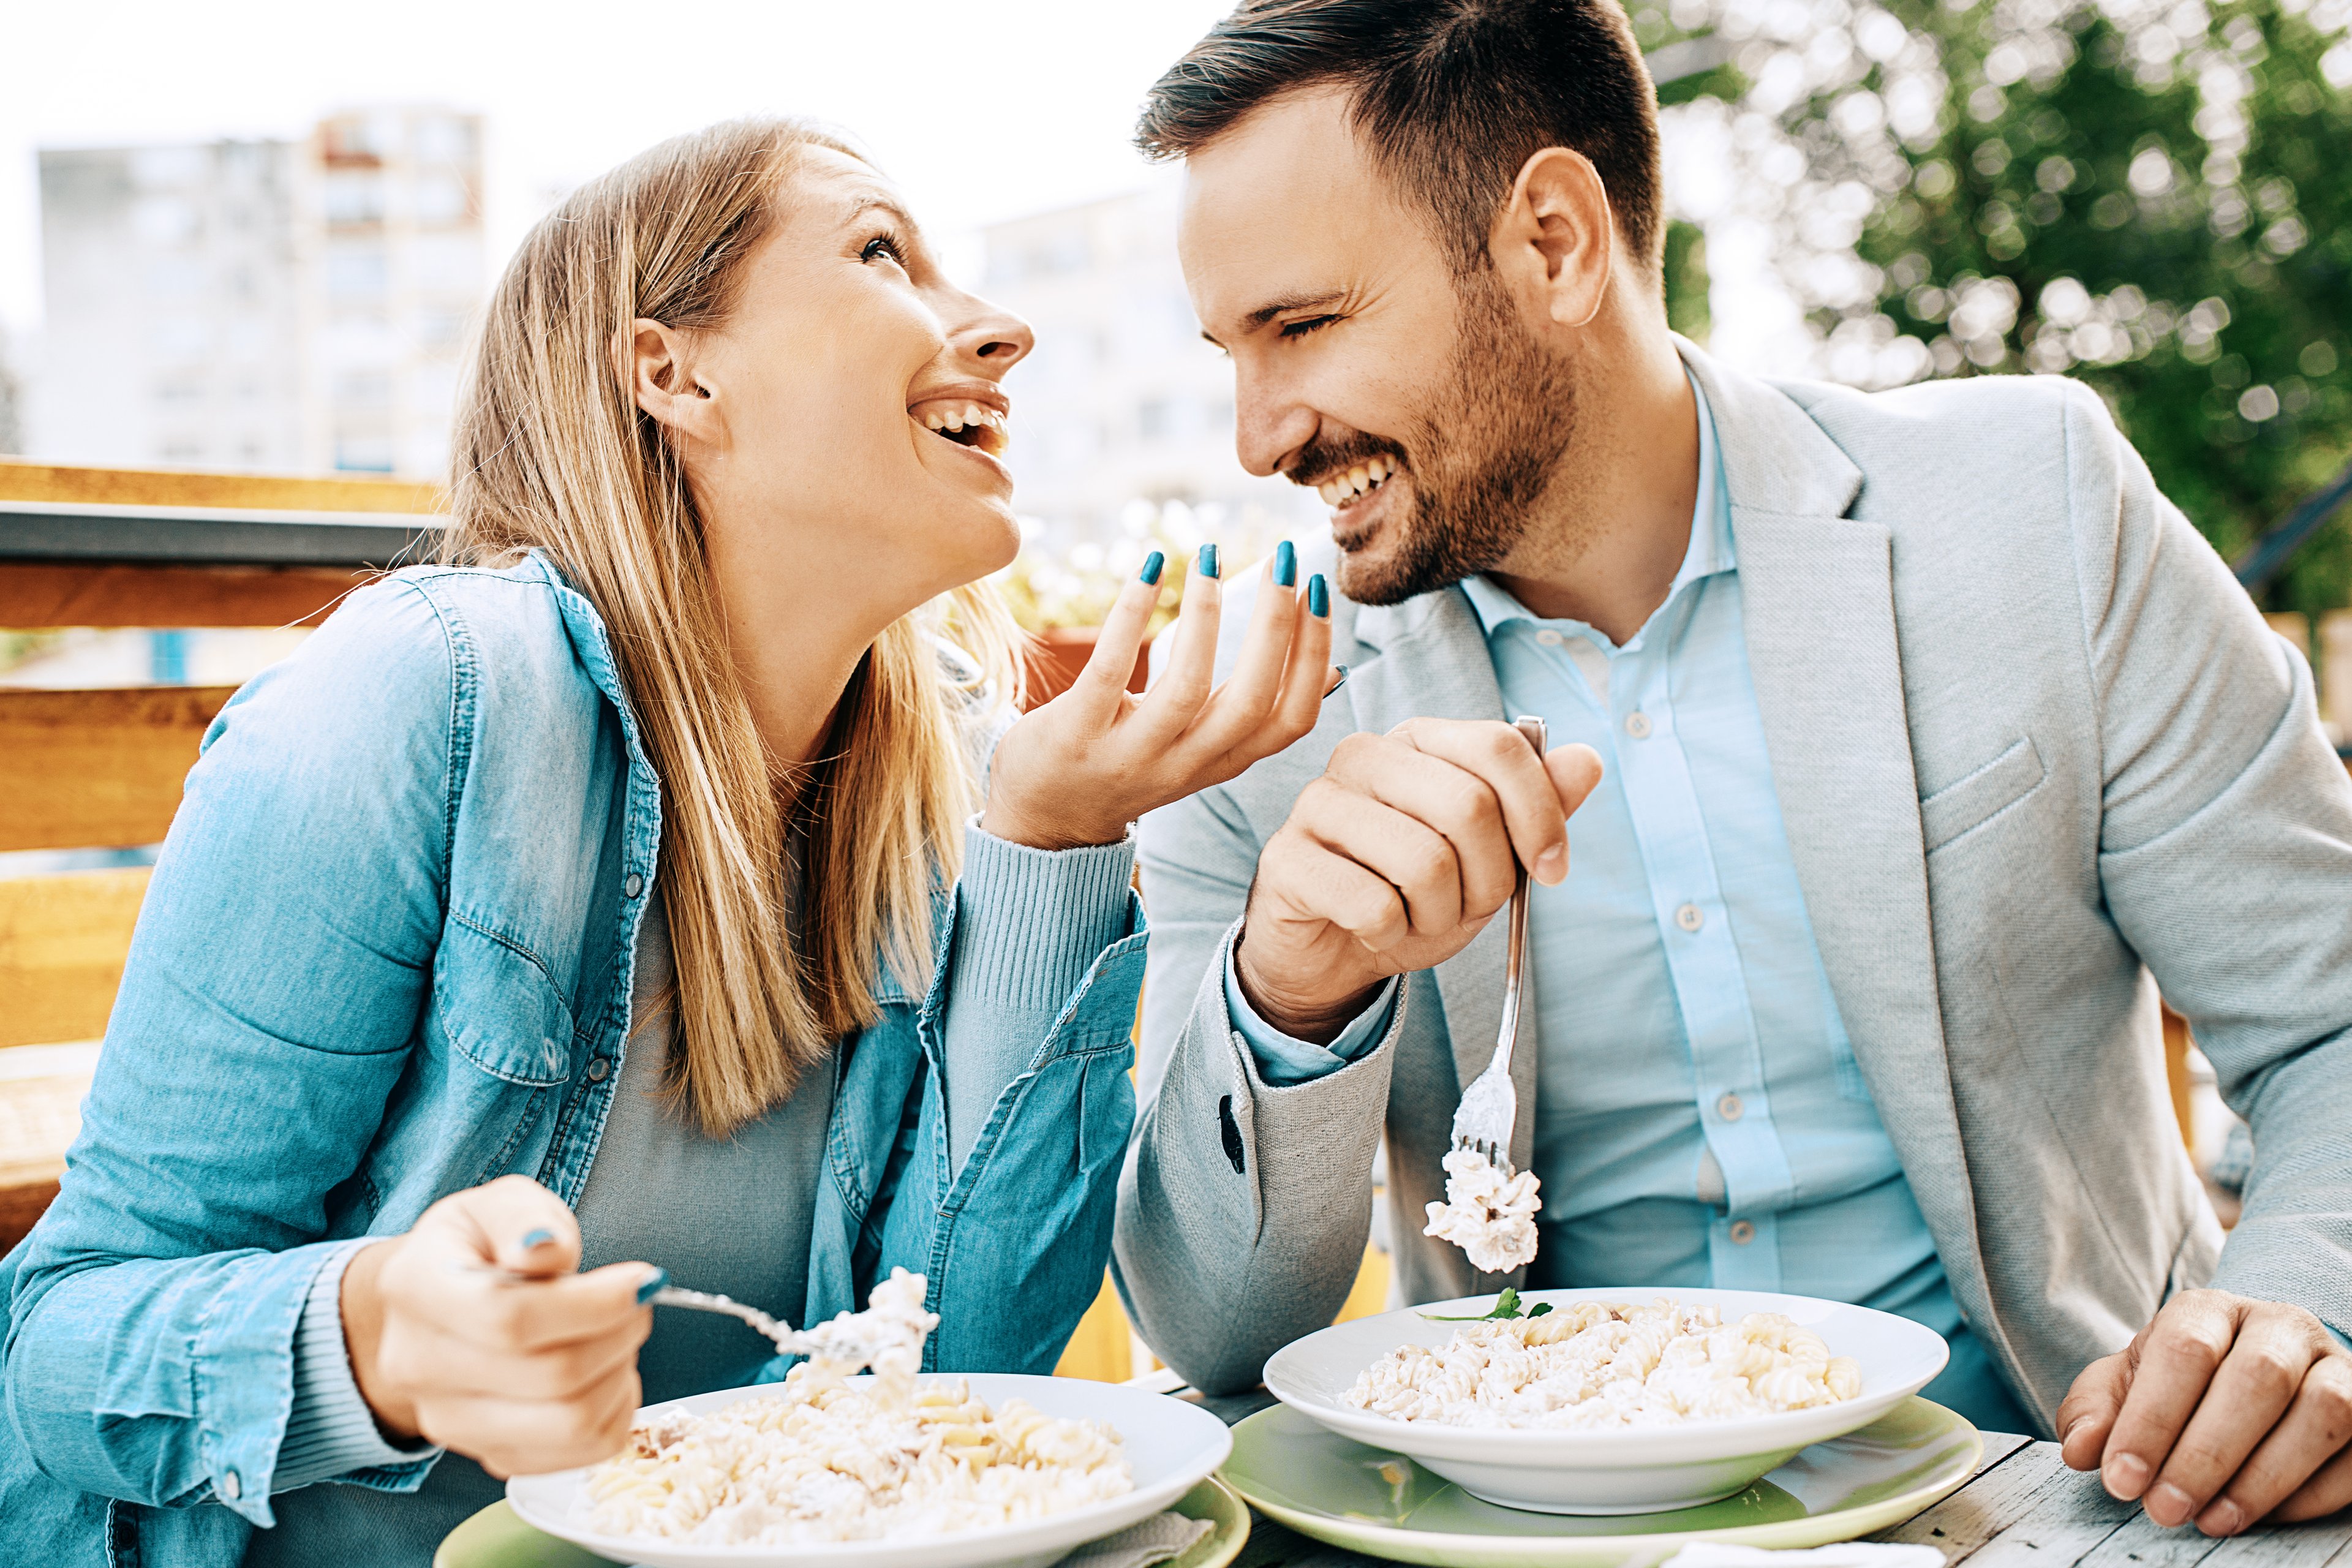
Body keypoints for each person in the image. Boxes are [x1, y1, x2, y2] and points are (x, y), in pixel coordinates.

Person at [0, 118, 1336, 1567]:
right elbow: (61, 1340)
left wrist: (1059, 840)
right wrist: (372, 1335)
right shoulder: (421, 699)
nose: (1000, 330)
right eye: (882, 251)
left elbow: (961, 1361)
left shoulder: (934, 788)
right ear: (673, 372)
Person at [1112, 0, 2352, 1538]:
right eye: (1229, 351)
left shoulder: (2034, 506)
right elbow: (1207, 1331)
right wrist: (1289, 992)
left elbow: (2333, 1020)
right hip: (1528, 1528)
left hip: (2073, 1489)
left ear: (1555, 242)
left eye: (1301, 328)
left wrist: (2308, 1306)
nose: (1255, 437)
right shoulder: (1256, 713)